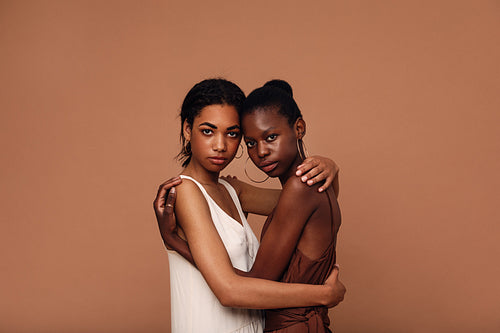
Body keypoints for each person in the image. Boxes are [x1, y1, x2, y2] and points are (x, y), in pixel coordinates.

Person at [153, 78, 345, 333]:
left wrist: (331, 167)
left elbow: (311, 205)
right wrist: (322, 295)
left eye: (232, 133)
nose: (220, 146)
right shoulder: (186, 191)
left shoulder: (233, 190)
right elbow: (229, 290)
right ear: (188, 130)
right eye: (208, 131)